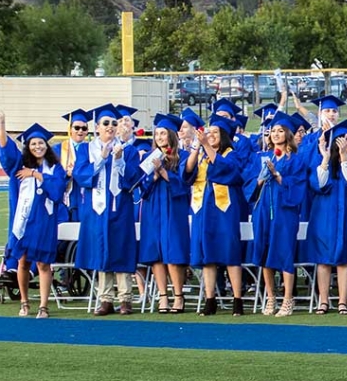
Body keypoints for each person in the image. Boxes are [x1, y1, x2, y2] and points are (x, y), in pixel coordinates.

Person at [0, 108, 65, 318]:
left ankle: (43, 306)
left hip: (44, 221)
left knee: (43, 263)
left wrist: (35, 174)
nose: (38, 146)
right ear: (28, 147)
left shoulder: (54, 167)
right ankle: (24, 302)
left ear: (46, 146)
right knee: (23, 262)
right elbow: (6, 151)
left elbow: (58, 191)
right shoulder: (18, 165)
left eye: (41, 143)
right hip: (23, 220)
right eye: (33, 144)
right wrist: (2, 124)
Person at [73, 104, 141, 316]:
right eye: (106, 123)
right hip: (95, 209)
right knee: (100, 250)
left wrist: (119, 160)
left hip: (120, 208)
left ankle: (125, 299)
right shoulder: (86, 149)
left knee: (120, 249)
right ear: (96, 127)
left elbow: (133, 179)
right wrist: (102, 157)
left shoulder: (127, 150)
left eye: (114, 123)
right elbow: (80, 175)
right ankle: (105, 299)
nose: (110, 127)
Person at [244, 111, 308, 317]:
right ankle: (270, 297)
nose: (276, 134)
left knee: (284, 252)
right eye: (273, 131)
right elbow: (250, 186)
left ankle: (288, 299)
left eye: (280, 131)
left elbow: (298, 188)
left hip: (284, 213)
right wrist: (260, 179)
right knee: (264, 253)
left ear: (288, 134)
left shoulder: (296, 160)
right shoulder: (261, 157)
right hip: (263, 211)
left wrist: (277, 174)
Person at [186, 116, 246, 316]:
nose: (210, 135)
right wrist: (196, 148)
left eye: (215, 132)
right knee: (207, 256)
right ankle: (210, 300)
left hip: (225, 210)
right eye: (208, 132)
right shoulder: (202, 155)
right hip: (203, 210)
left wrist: (206, 147)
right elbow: (187, 173)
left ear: (224, 136)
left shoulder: (232, 154)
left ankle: (238, 300)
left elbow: (226, 170)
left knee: (230, 254)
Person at [305, 120, 347, 315]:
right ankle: (323, 300)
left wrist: (344, 157)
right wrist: (325, 157)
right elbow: (318, 184)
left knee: (344, 259)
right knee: (323, 259)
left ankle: (342, 301)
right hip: (324, 216)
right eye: (346, 139)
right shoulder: (323, 163)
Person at [138, 114, 190, 314]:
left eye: (163, 133)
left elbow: (185, 184)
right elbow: (141, 186)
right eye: (157, 133)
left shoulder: (182, 156)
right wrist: (153, 176)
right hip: (153, 209)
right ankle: (163, 297)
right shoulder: (149, 157)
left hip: (173, 208)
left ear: (171, 135)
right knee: (156, 254)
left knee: (172, 252)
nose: (160, 137)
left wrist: (165, 173)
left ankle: (178, 296)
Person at [54, 108, 91, 222]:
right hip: (64, 199)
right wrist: (66, 174)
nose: (80, 131)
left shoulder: (92, 150)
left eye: (84, 128)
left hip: (85, 199)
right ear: (70, 129)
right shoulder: (57, 149)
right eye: (76, 128)